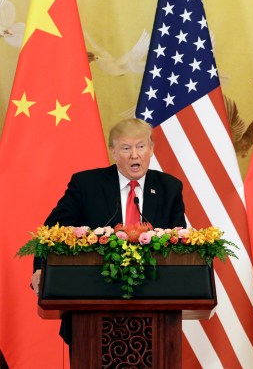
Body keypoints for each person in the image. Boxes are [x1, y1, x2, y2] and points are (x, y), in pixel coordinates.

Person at [29, 117, 186, 344]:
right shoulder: (86, 184)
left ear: (151, 149)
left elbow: (179, 242)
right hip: (90, 310)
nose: (135, 155)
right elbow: (51, 231)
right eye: (126, 148)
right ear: (113, 151)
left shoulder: (169, 188)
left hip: (155, 312)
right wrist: (40, 270)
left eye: (141, 146)